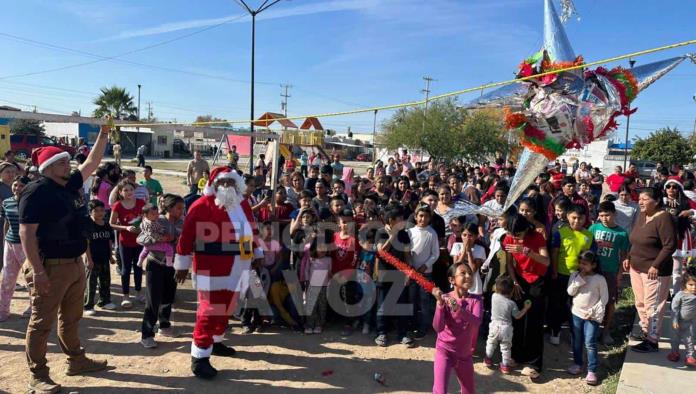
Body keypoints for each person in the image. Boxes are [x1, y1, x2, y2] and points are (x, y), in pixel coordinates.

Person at [19, 121, 110, 392]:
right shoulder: (36, 191)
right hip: (49, 266)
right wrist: (37, 271)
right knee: (41, 322)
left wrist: (104, 133)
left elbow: (92, 163)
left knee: (71, 318)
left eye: (66, 162)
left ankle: (76, 361)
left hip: (74, 264)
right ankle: (38, 374)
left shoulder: (68, 185)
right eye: (60, 163)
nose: (67, 165)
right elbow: (26, 233)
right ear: (47, 169)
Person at [175, 166, 264, 379]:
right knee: (209, 310)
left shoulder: (242, 204)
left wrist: (256, 253)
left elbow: (251, 230)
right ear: (214, 185)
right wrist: (182, 264)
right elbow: (186, 236)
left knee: (228, 306)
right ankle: (200, 356)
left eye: (230, 182)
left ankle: (216, 341)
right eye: (223, 183)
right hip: (210, 267)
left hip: (238, 264)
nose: (227, 187)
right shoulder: (200, 205)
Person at [624, 187, 677, 353]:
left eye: (645, 199)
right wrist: (628, 257)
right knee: (640, 302)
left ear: (657, 201)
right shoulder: (642, 215)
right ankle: (646, 331)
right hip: (636, 267)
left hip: (654, 270)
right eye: (639, 198)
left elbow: (670, 245)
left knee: (653, 305)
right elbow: (635, 239)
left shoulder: (664, 217)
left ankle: (653, 340)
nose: (640, 202)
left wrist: (656, 265)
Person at [503, 213, 550, 379]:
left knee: (534, 323)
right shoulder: (508, 238)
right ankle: (516, 355)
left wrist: (526, 251)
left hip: (537, 281)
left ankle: (534, 363)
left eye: (518, 234)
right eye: (512, 234)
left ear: (526, 230)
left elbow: (546, 261)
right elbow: (510, 264)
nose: (515, 238)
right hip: (520, 280)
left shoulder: (537, 237)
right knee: (518, 319)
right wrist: (514, 282)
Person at [139, 194, 185, 349]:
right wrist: (161, 239)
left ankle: (164, 326)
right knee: (153, 299)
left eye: (182, 208)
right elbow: (141, 238)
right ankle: (147, 334)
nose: (181, 211)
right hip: (155, 264)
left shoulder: (182, 222)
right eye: (178, 208)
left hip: (172, 265)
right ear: (169, 208)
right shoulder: (157, 220)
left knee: (168, 296)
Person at [431, 263, 483, 394]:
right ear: (451, 280)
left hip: (464, 354)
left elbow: (476, 321)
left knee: (469, 390)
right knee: (440, 391)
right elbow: (438, 327)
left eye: (470, 273)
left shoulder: (476, 300)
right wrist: (439, 305)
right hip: (444, 351)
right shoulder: (445, 299)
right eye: (463, 273)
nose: (468, 276)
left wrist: (458, 309)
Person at [549, 204, 594, 345]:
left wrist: (587, 274)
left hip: (580, 276)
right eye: (573, 218)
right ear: (568, 217)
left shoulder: (589, 235)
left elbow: (591, 256)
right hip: (561, 275)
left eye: (580, 218)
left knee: (577, 305)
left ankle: (575, 333)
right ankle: (555, 331)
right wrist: (555, 271)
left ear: (585, 219)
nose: (576, 221)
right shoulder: (560, 233)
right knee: (559, 304)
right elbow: (554, 253)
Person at [589, 201, 629, 345]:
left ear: (614, 214)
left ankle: (606, 330)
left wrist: (620, 274)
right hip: (593, 271)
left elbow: (624, 255)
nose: (604, 218)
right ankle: (592, 330)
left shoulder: (622, 233)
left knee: (610, 302)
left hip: (611, 271)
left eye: (607, 215)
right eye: (601, 215)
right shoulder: (593, 228)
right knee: (592, 300)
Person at [566, 251, 609, 385]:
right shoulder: (575, 275)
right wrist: (578, 280)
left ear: (594, 265)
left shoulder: (599, 279)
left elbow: (604, 299)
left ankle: (592, 370)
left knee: (590, 342)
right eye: (580, 263)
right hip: (576, 314)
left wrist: (593, 311)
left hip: (592, 316)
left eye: (585, 264)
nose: (581, 266)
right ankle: (578, 363)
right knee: (577, 340)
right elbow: (570, 292)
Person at [374, 206, 412, 348]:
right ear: (391, 220)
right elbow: (381, 252)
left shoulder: (405, 234)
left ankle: (402, 334)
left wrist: (409, 273)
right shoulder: (380, 232)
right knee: (383, 304)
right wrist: (392, 236)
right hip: (384, 274)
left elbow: (408, 256)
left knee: (402, 304)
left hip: (401, 274)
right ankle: (381, 333)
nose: (403, 221)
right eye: (400, 219)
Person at [483, 276, 532, 373]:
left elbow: (495, 289)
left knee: (491, 343)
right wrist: (525, 308)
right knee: (506, 348)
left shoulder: (494, 297)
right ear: (512, 291)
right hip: (506, 328)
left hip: (494, 326)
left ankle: (487, 359)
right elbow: (517, 316)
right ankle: (505, 366)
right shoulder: (512, 303)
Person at [109, 180, 146, 308]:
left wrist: (143, 228)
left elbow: (147, 220)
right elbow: (111, 224)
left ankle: (139, 293)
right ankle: (125, 296)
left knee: (138, 267)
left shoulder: (141, 203)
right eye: (125, 190)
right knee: (125, 270)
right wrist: (126, 228)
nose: (129, 192)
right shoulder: (117, 205)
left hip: (139, 241)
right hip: (124, 242)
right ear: (120, 192)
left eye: (131, 189)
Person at [0, 176, 31, 321]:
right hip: (10, 244)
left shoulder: (31, 203)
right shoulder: (6, 202)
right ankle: (3, 310)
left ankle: (33, 308)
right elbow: (6, 222)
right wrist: (5, 239)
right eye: (15, 185)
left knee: (30, 279)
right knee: (7, 278)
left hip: (27, 246)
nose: (17, 188)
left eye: (21, 185)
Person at [407, 205, 439, 340]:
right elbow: (407, 251)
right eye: (420, 215)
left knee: (424, 301)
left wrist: (425, 266)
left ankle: (424, 327)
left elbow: (435, 254)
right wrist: (410, 267)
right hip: (411, 272)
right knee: (411, 299)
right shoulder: (409, 232)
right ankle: (412, 324)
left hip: (425, 273)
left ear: (430, 218)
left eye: (426, 216)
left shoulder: (432, 233)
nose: (422, 218)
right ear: (415, 216)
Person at [83, 200, 117, 316]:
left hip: (104, 258)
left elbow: (109, 241)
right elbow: (86, 244)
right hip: (93, 259)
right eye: (96, 211)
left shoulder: (106, 224)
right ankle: (88, 305)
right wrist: (89, 259)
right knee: (91, 283)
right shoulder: (89, 225)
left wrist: (110, 256)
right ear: (90, 212)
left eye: (102, 210)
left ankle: (104, 301)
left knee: (105, 281)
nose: (99, 213)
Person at [666, 266, 696, 367]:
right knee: (675, 339)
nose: (694, 287)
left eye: (695, 285)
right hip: (677, 322)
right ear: (685, 284)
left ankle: (690, 356)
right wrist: (674, 320)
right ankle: (674, 353)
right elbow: (674, 309)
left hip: (690, 323)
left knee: (690, 339)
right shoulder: (680, 295)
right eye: (691, 285)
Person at [303, 238, 331, 334]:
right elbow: (306, 270)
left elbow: (330, 273)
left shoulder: (328, 260)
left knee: (322, 306)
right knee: (311, 306)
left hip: (324, 286)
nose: (322, 250)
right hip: (312, 286)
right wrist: (307, 282)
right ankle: (310, 325)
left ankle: (319, 325)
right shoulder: (311, 259)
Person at [136, 204, 174, 268]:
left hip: (147, 243)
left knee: (145, 250)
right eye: (153, 214)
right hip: (153, 242)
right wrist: (162, 238)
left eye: (157, 213)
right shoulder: (150, 224)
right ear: (146, 215)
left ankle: (140, 262)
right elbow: (152, 234)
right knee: (169, 248)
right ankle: (169, 263)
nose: (156, 215)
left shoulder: (146, 219)